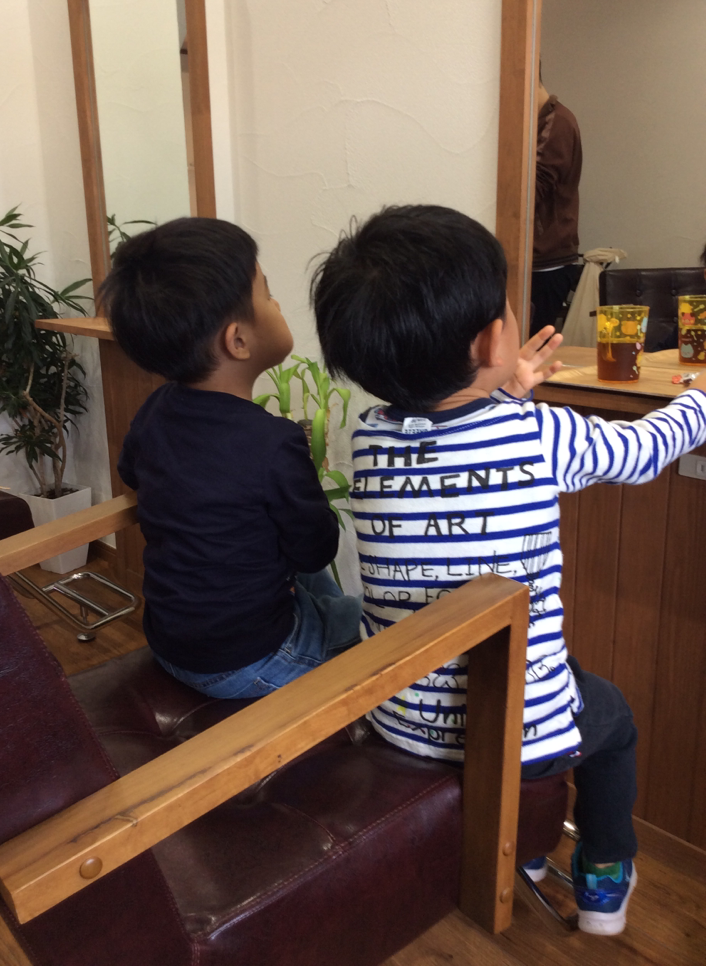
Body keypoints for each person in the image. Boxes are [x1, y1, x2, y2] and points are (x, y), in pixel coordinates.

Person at [311, 204, 706, 935]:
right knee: (614, 722)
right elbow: (641, 451)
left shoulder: (367, 440)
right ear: (493, 338)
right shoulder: (535, 432)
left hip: (402, 719)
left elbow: (451, 442)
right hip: (513, 735)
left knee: (561, 678)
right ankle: (604, 876)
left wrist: (502, 388)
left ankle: (523, 853)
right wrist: (700, 403)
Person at [100, 217, 361, 699]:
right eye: (268, 293)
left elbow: (131, 472)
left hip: (171, 642)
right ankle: (335, 624)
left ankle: (321, 610)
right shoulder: (273, 443)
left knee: (306, 574)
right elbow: (316, 548)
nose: (277, 304)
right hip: (251, 659)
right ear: (237, 341)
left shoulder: (156, 409)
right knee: (366, 618)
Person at [531, 69, 583, 336]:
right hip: (541, 258)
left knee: (530, 346)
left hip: (546, 261)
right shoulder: (540, 121)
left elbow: (530, 191)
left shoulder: (556, 123)